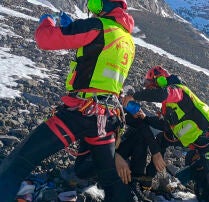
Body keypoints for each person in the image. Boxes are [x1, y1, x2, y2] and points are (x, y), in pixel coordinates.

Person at [0, 0, 136, 201]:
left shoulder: (98, 26)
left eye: (96, 4)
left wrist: (46, 21)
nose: (92, 10)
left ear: (105, 6)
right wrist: (75, 26)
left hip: (79, 113)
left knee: (18, 162)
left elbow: (45, 40)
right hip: (105, 120)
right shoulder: (127, 40)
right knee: (112, 182)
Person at [122, 66, 209, 202]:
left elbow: (162, 94)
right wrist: (145, 118)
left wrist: (134, 96)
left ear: (161, 81)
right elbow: (166, 126)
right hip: (194, 139)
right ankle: (147, 179)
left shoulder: (177, 90)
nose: (147, 89)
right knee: (162, 138)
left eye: (149, 84)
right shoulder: (170, 104)